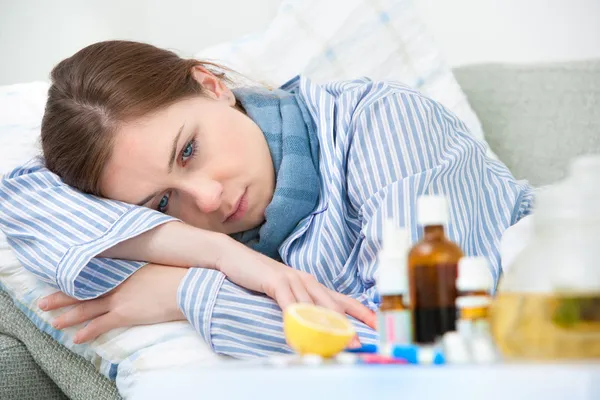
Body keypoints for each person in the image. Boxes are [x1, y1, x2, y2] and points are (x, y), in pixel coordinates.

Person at [0, 40, 534, 358]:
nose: (207, 201)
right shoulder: (233, 243)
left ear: (212, 86)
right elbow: (22, 201)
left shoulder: (381, 122)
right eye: (162, 203)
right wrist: (224, 257)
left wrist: (190, 292)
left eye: (188, 151)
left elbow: (423, 338)